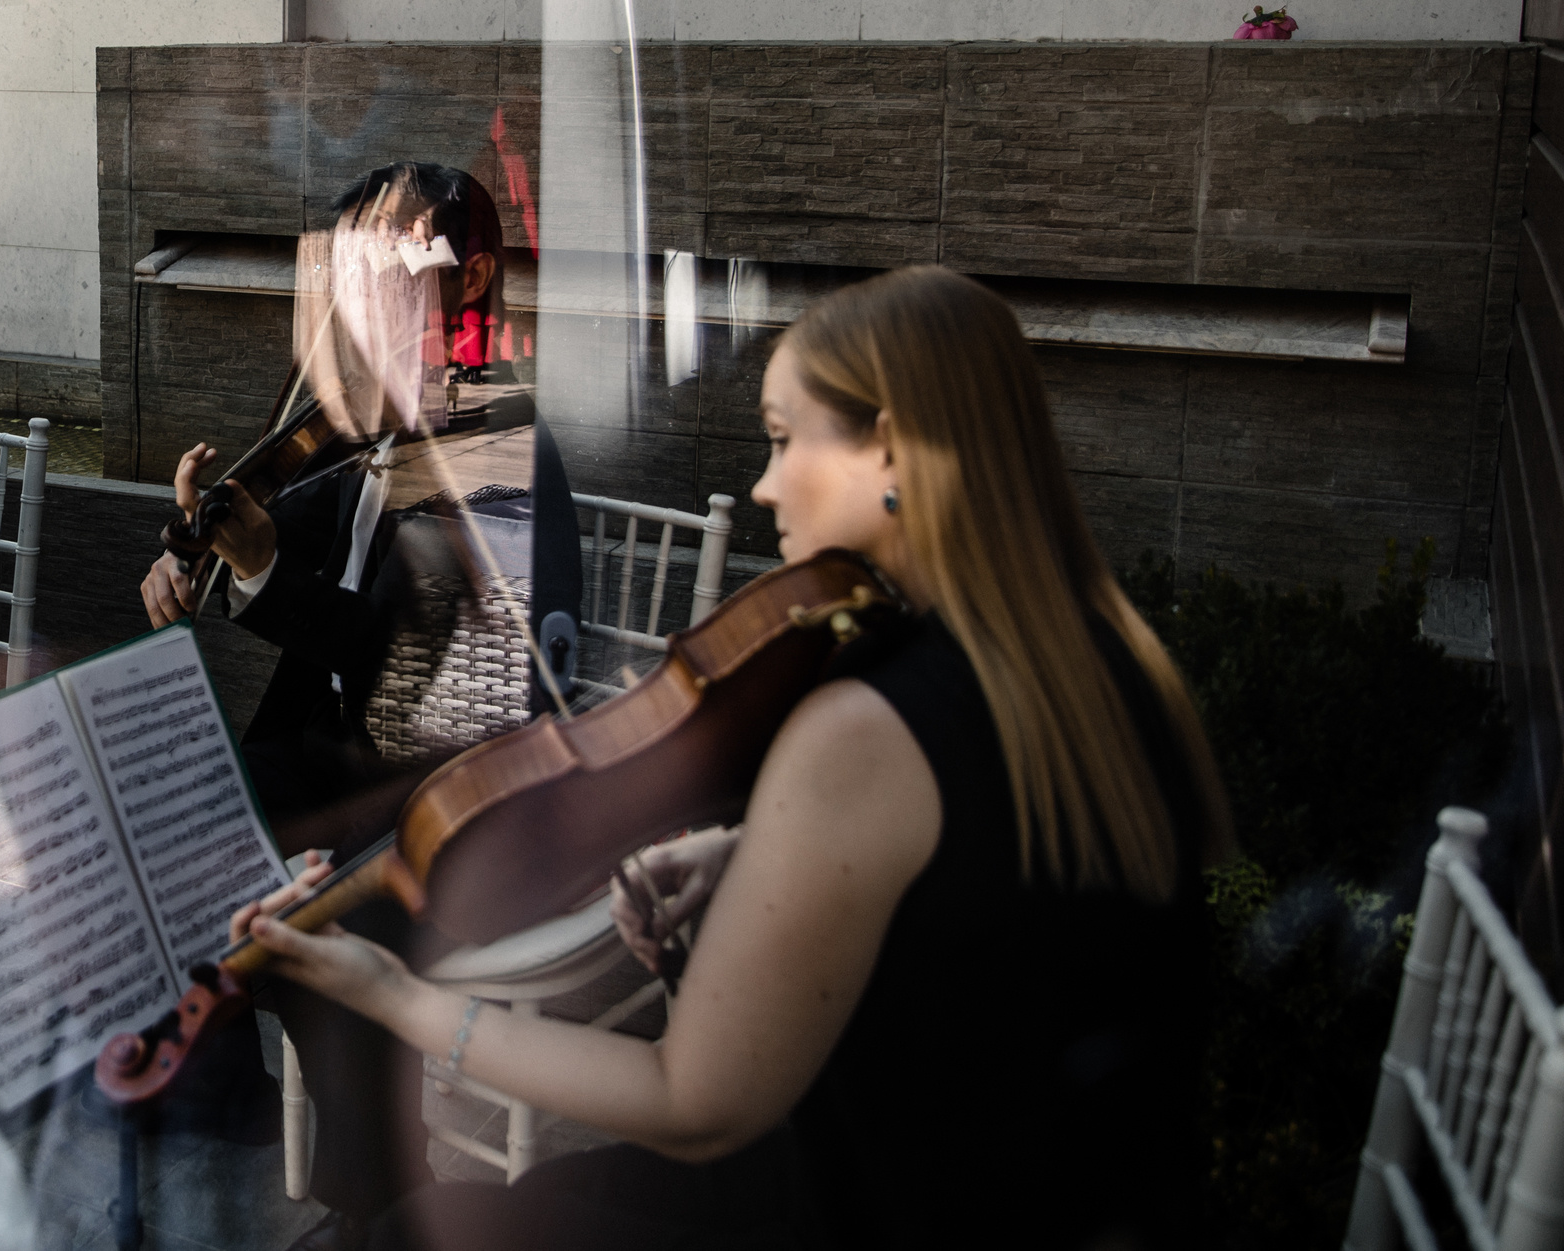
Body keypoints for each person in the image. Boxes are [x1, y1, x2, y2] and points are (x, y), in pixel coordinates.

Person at [231, 264, 1234, 1251]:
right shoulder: (1108, 668)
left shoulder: (864, 730)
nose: (760, 487)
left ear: (888, 449)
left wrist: (393, 993)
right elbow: (982, 908)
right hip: (1059, 1200)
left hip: (878, 1206)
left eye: (783, 439)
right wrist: (756, 860)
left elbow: (693, 1102)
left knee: (426, 1230)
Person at [136, 160, 584, 1221]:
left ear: (467, 280)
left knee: (297, 917)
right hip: (340, 766)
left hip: (452, 800)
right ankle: (225, 1098)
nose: (354, 300)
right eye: (344, 274)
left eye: (385, 269)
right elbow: (265, 544)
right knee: (155, 822)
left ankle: (378, 1181)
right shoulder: (360, 425)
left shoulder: (502, 444)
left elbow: (434, 680)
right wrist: (190, 556)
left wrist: (259, 576)